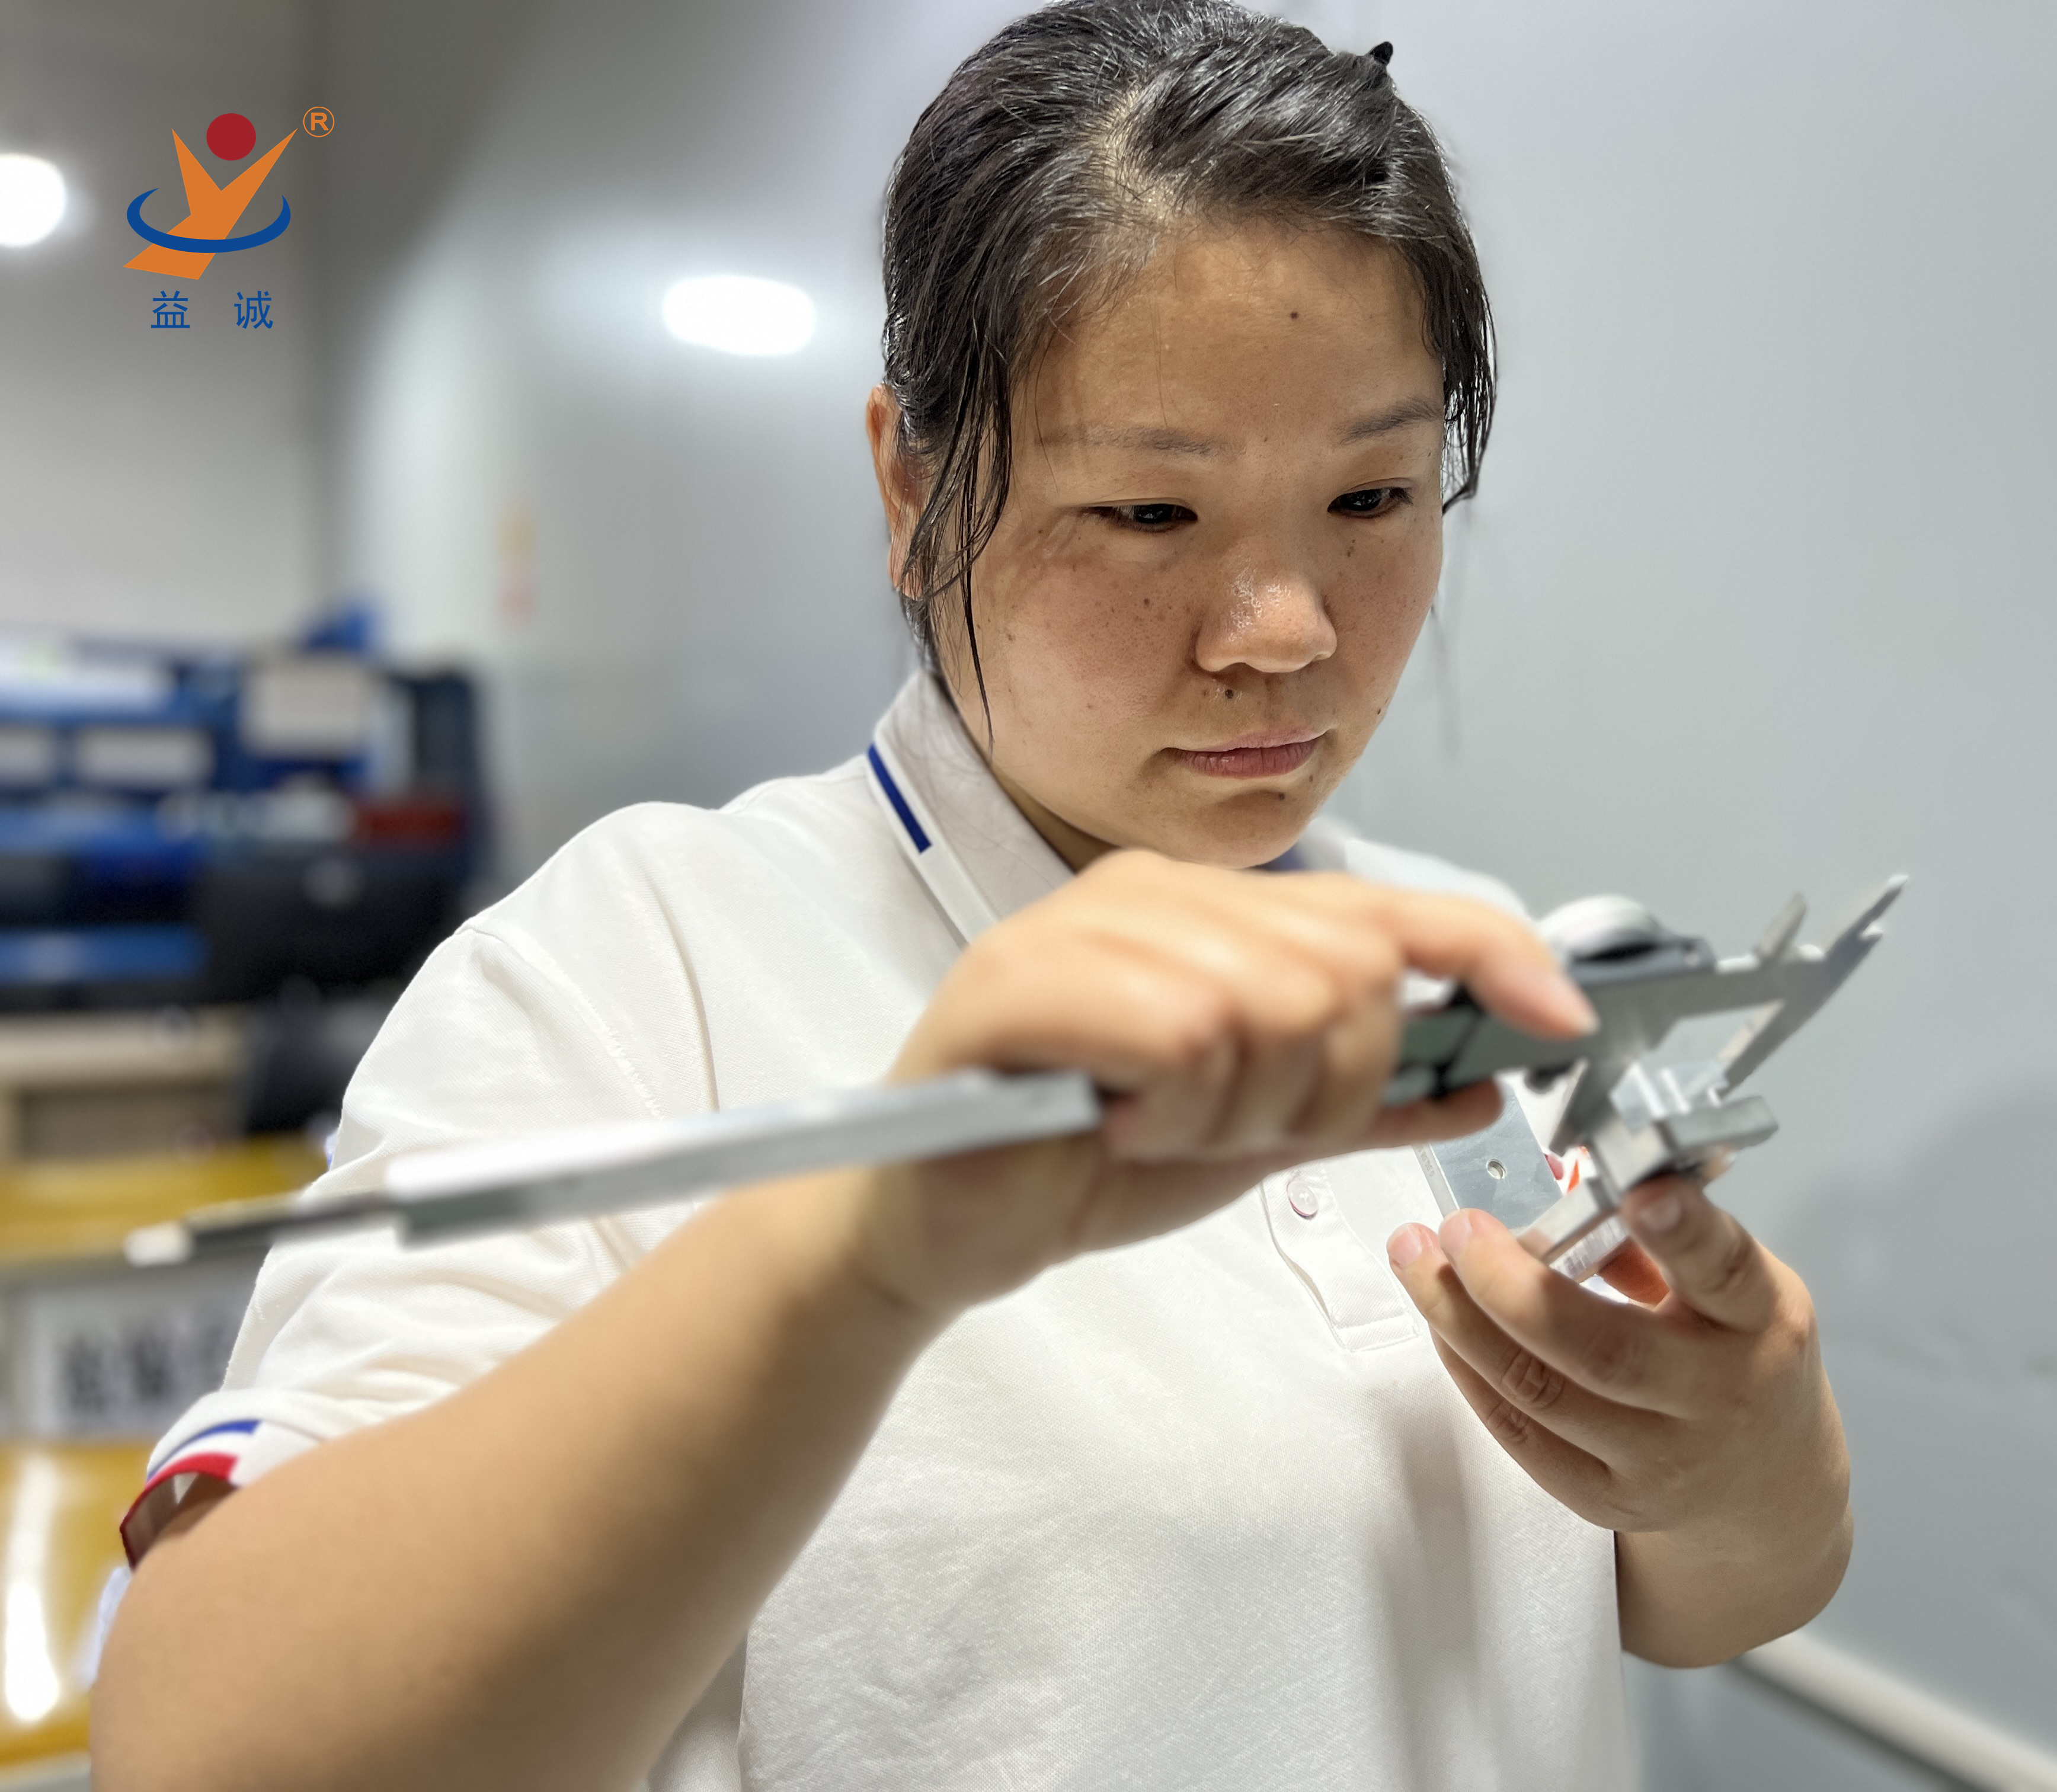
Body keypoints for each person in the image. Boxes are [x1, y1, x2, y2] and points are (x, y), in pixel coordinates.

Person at [91, 5, 1851, 1788]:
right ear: (912, 490)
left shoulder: (1462, 953)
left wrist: (1747, 1454)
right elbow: (212, 1754)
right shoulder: (636, 977)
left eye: (1374, 493)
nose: (1286, 628)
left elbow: (1690, 1594)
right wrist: (866, 1254)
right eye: (1152, 512)